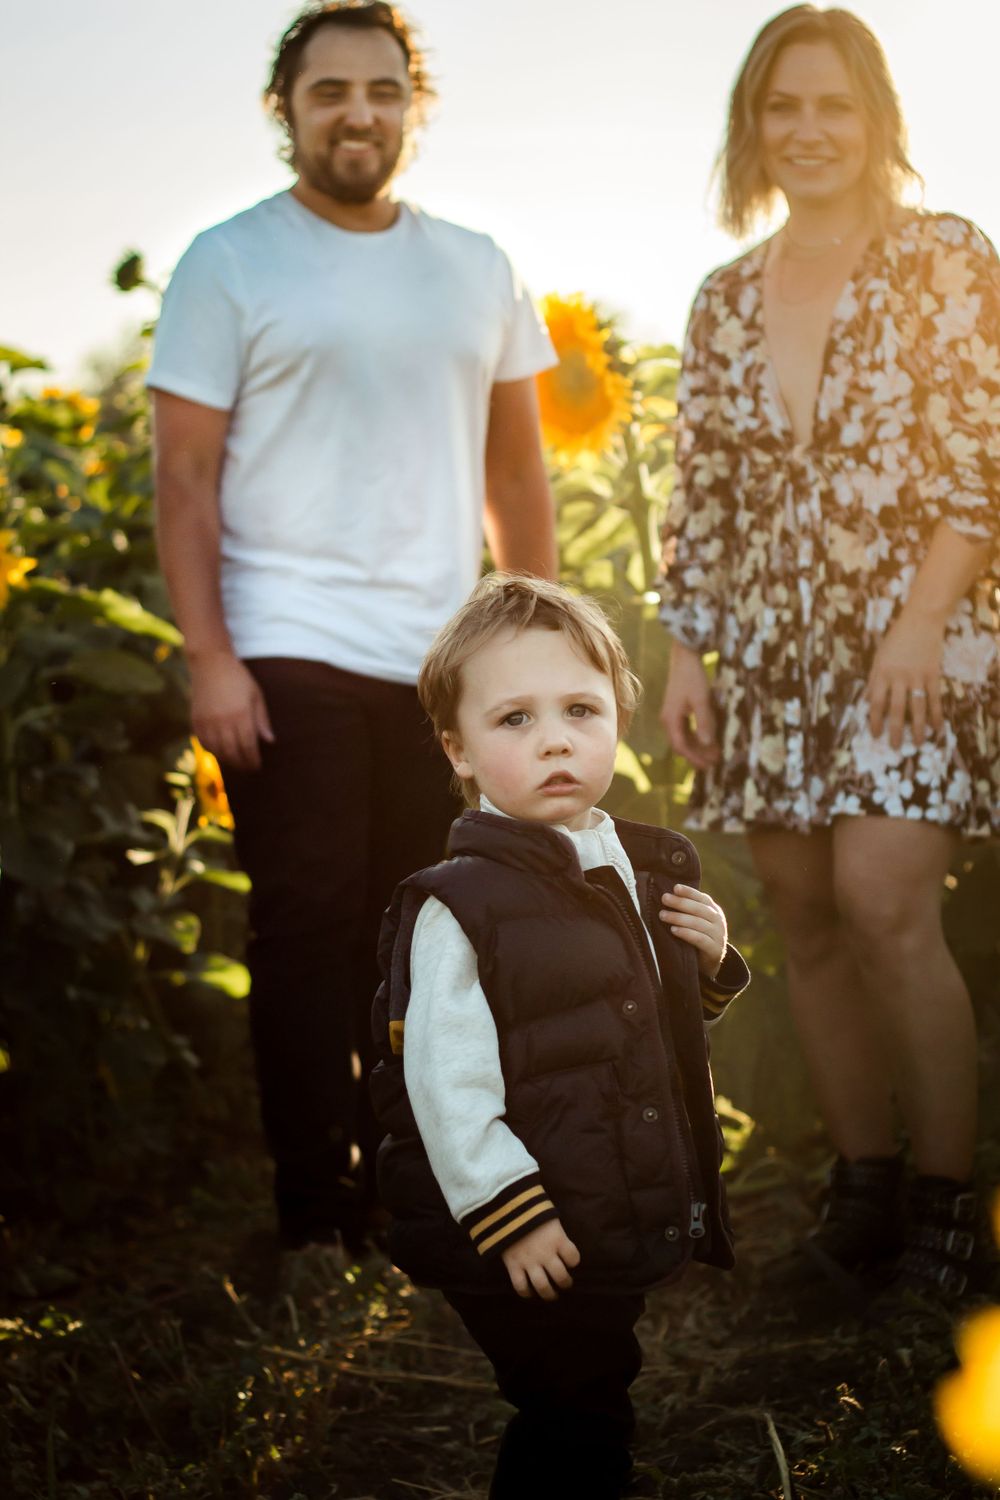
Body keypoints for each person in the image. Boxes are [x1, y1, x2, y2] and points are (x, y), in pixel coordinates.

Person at [148, 2, 558, 1258]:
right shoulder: (229, 261)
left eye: (381, 91)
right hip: (287, 647)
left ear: (411, 107)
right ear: (286, 110)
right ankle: (316, 1213)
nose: (357, 115)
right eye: (329, 92)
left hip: (438, 666)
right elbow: (184, 479)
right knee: (309, 929)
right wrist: (211, 656)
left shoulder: (476, 264)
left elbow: (518, 480)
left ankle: (412, 1196)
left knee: (424, 939)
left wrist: (533, 657)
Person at [658, 3, 999, 1302]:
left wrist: (918, 622)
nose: (808, 131)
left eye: (833, 105)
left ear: (878, 122)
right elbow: (703, 493)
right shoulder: (724, 299)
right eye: (781, 107)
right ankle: (859, 1196)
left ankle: (948, 1213)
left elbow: (986, 451)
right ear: (753, 127)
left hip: (924, 633)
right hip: (763, 651)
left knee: (883, 898)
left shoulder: (948, 257)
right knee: (804, 910)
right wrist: (689, 650)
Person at [370, 574, 749, 1498]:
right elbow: (445, 1085)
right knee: (575, 1406)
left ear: (618, 718)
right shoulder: (459, 905)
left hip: (594, 1187)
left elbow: (626, 1027)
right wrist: (513, 1213)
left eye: (580, 709)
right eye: (515, 721)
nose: (555, 740)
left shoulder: (627, 862)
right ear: (457, 751)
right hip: (520, 1215)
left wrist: (705, 969)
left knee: (596, 1381)